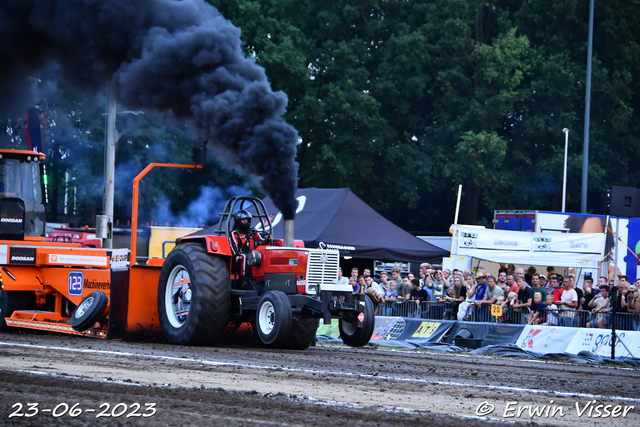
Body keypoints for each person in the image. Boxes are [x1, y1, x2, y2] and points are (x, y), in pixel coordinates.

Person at [230, 210, 268, 280]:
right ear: (238, 221)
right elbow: (233, 245)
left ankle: (263, 277)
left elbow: (261, 241)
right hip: (240, 254)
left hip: (254, 254)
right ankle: (244, 279)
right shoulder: (235, 233)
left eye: (246, 220)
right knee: (245, 257)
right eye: (243, 220)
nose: (245, 222)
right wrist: (237, 255)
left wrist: (267, 239)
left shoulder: (253, 231)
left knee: (262, 255)